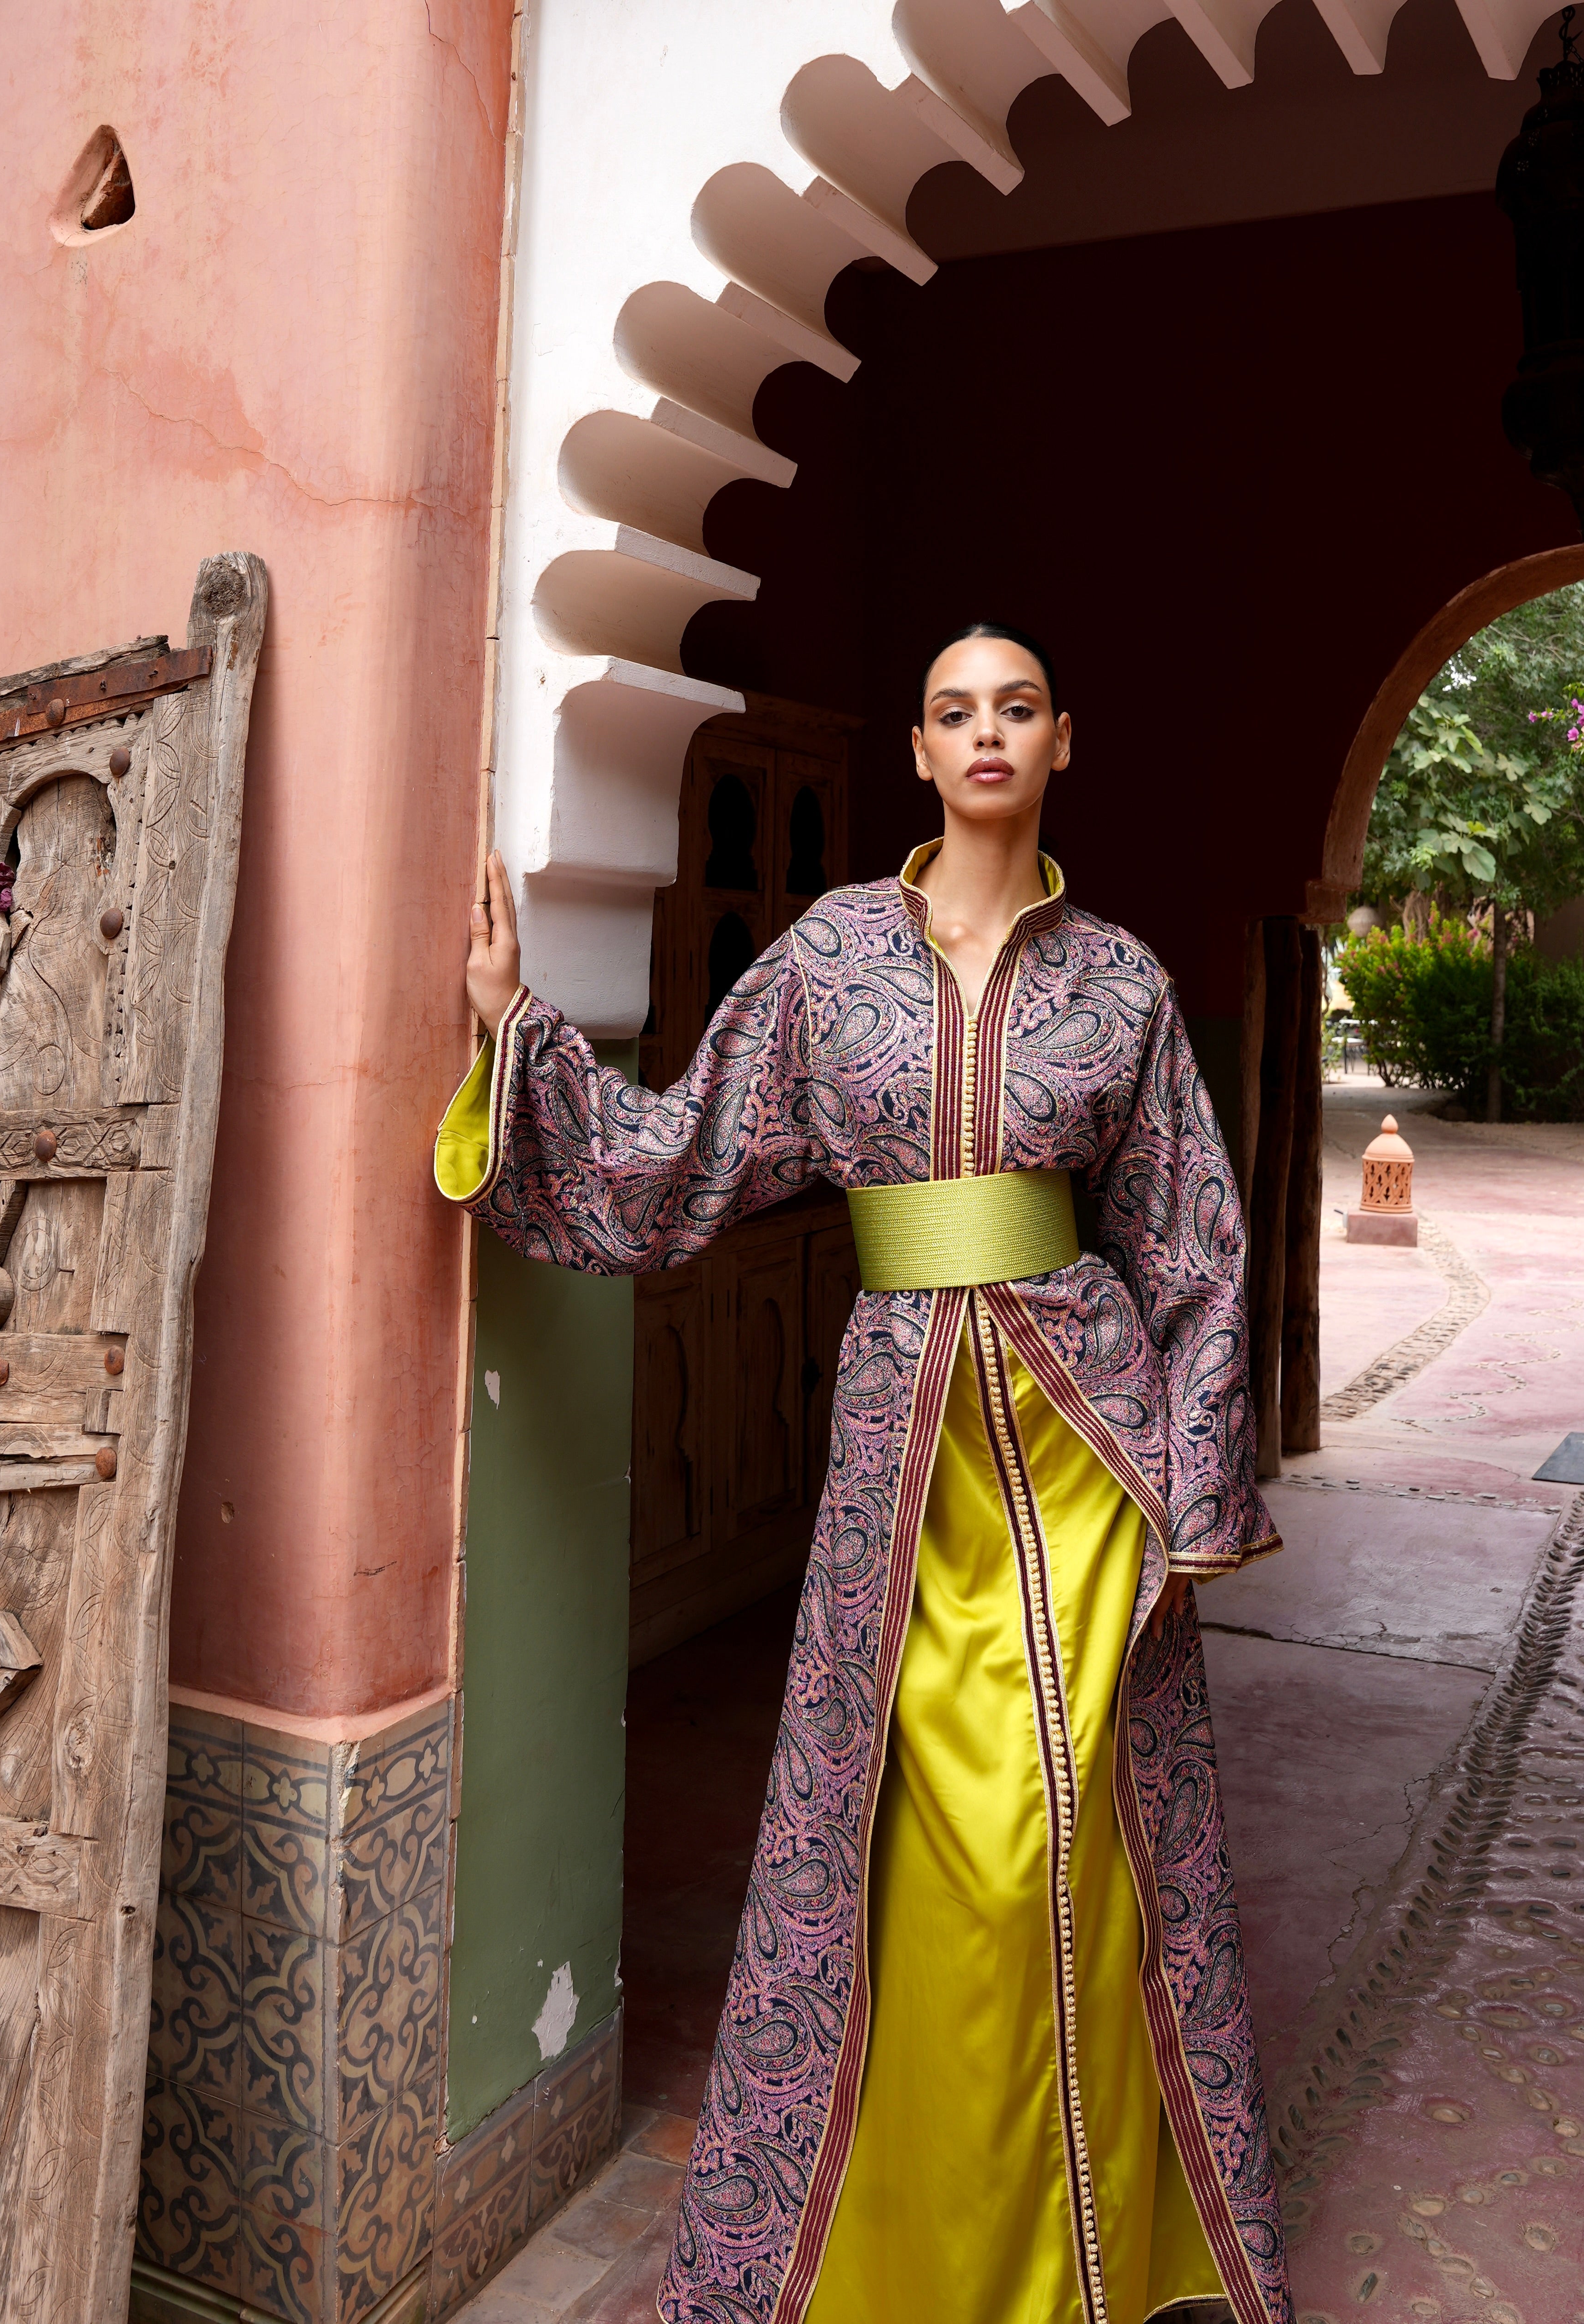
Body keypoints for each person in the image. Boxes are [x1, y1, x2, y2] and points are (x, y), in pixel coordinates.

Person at [439, 623, 1291, 2324]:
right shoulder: (829, 958)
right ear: (918, 749)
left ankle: (1102, 2248)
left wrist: (1193, 1488)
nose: (990, 733)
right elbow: (680, 1158)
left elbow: (1194, 1240)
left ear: (1065, 741)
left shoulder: (1117, 981)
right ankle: (908, 2241)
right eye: (959, 710)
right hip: (905, 1444)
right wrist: (519, 1030)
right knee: (915, 1845)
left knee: (1069, 1832)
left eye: (1022, 707)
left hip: (1084, 1445)